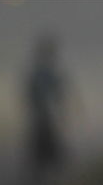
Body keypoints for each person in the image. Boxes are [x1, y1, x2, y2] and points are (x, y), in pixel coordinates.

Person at [22, 33, 72, 177]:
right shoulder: (44, 72)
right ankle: (44, 169)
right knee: (44, 141)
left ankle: (44, 169)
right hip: (43, 112)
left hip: (46, 113)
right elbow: (33, 91)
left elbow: (59, 92)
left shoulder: (44, 72)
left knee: (46, 140)